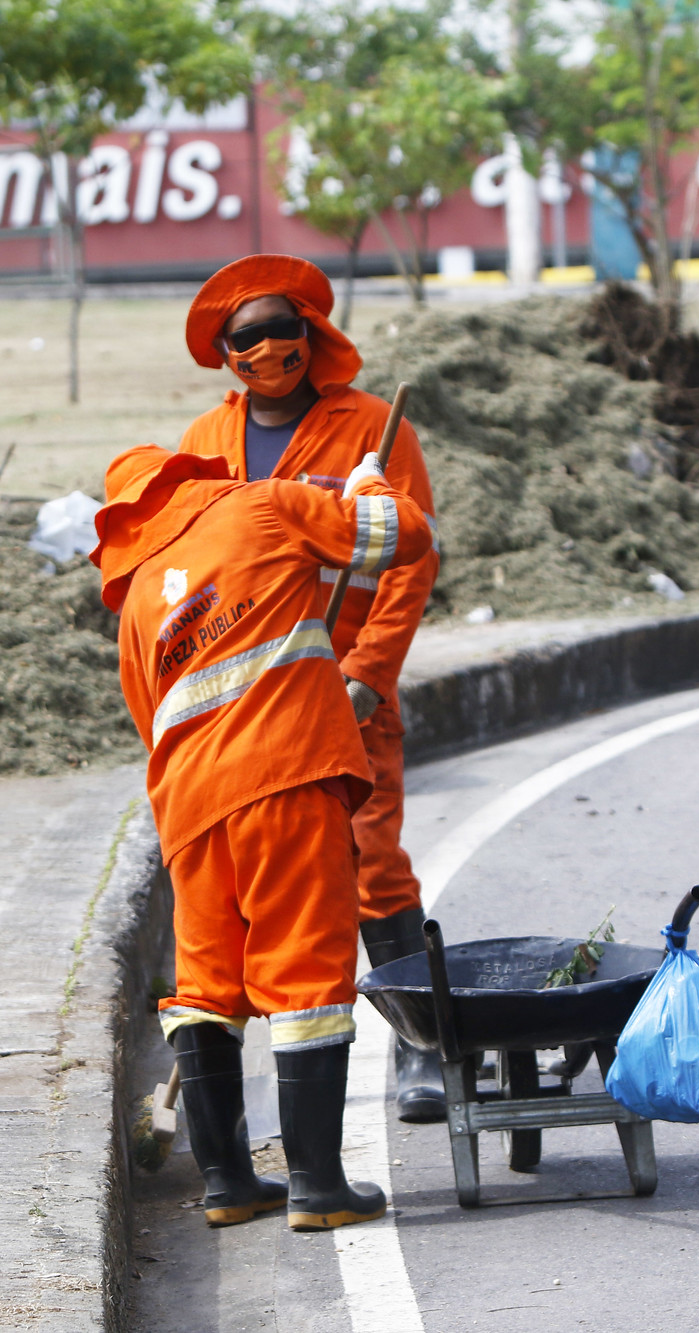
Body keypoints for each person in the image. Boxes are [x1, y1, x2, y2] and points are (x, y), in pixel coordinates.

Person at [91, 441, 433, 1230]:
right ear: (190, 481)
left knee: (207, 984)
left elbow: (153, 723)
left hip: (189, 810)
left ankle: (228, 1183)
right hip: (285, 776)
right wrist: (368, 481)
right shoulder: (262, 506)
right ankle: (316, 1185)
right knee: (304, 967)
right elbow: (398, 535)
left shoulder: (141, 598)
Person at [177, 254, 447, 1124]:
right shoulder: (202, 446)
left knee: (371, 859)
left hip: (347, 695)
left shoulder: (371, 428)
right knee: (250, 887)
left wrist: (368, 672)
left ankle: (420, 1043)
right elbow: (185, 575)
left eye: (280, 328)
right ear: (224, 351)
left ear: (311, 332)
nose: (266, 349)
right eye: (244, 337)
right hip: (248, 711)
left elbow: (413, 558)